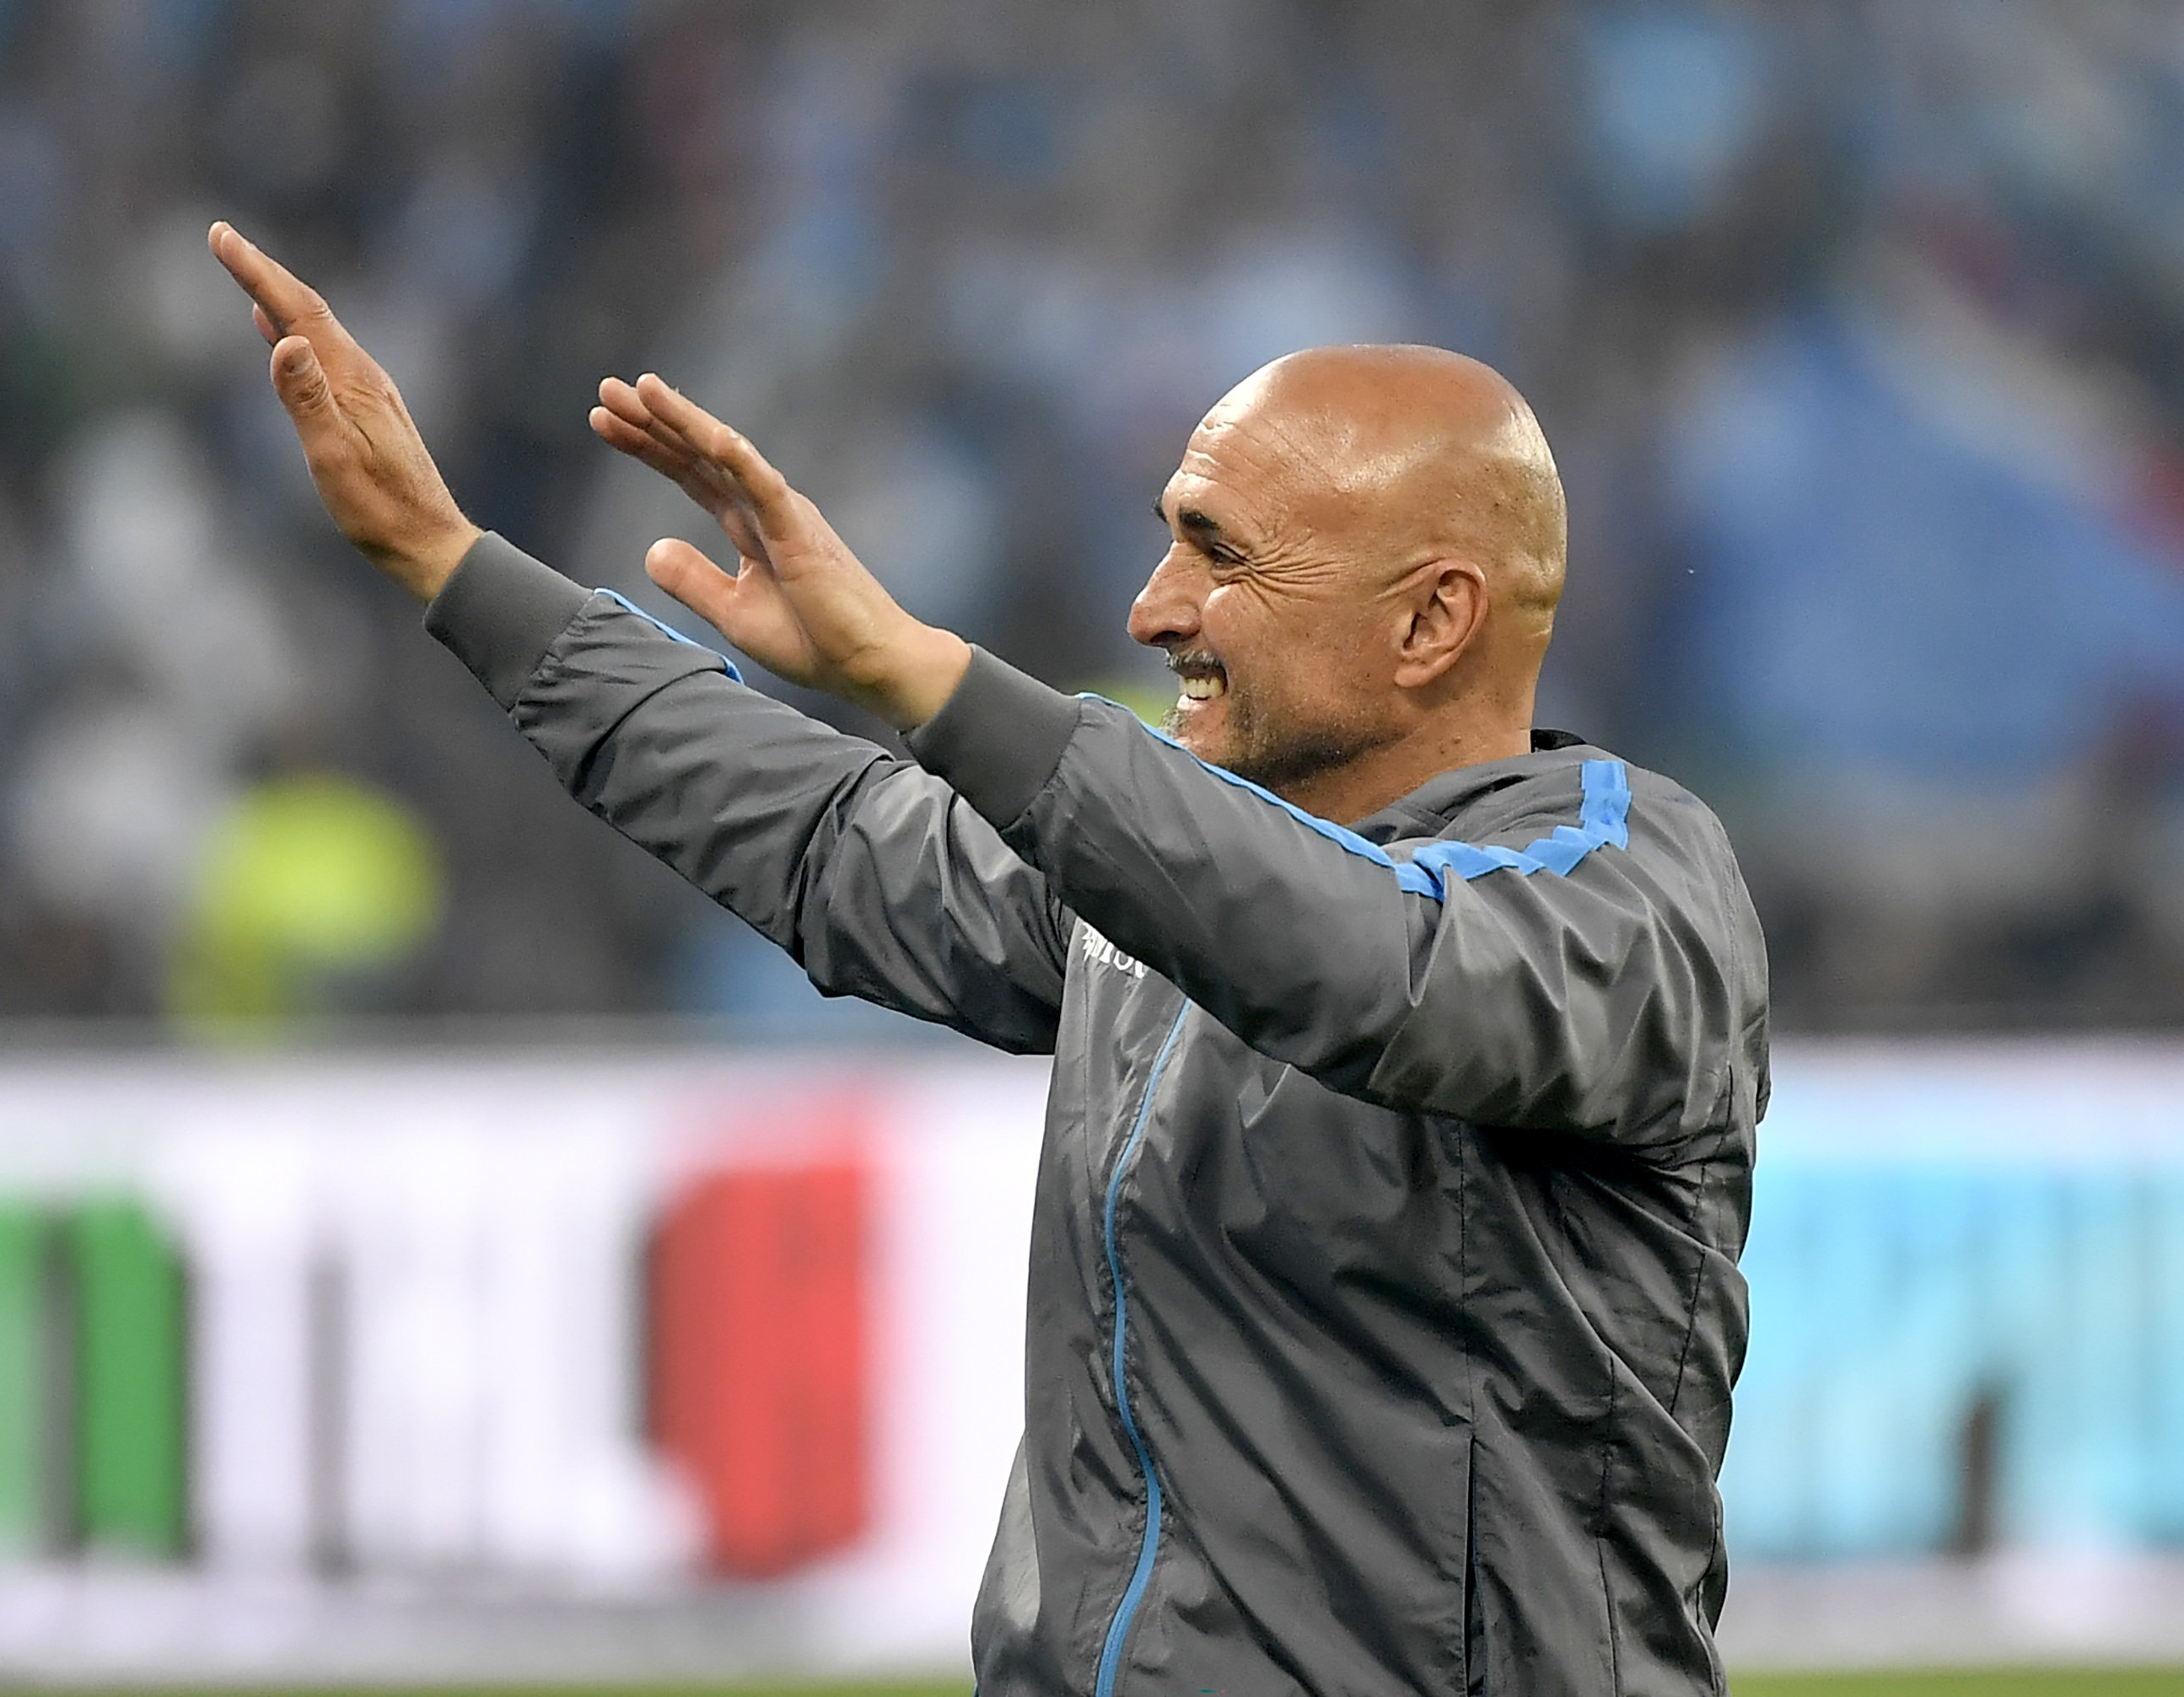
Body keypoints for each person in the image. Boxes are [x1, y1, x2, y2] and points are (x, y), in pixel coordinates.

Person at [209, 221, 1767, 1697]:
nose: (1155, 608)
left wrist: (934, 679)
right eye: (1167, 538)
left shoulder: (1630, 888)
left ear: (1433, 621)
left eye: (1221, 555)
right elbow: (829, 837)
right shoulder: (1147, 888)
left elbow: (1385, 974)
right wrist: (451, 563)